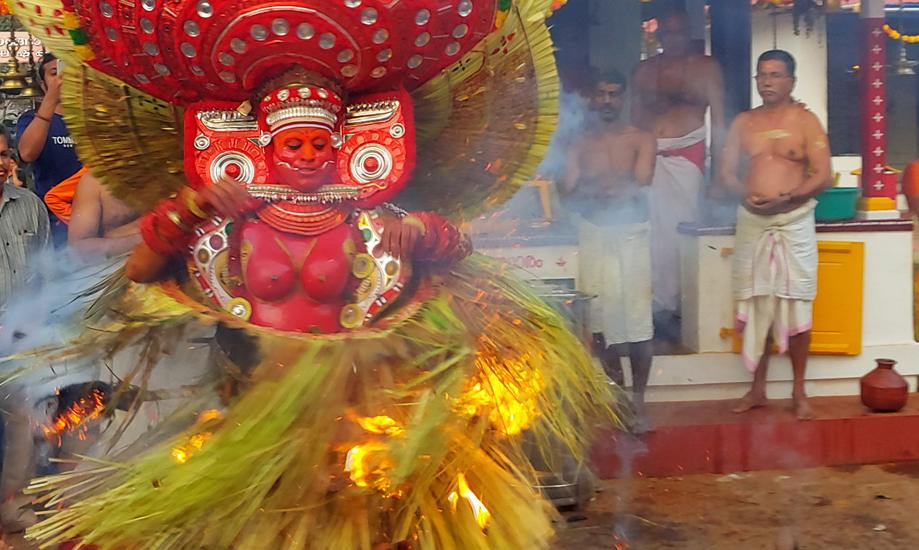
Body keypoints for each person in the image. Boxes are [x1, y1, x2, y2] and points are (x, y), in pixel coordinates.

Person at [5, 2, 622, 548]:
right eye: (292, 145)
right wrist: (189, 209)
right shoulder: (231, 220)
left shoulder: (370, 219)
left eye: (318, 146)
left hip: (359, 415)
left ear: (340, 148)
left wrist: (429, 234)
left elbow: (461, 255)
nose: (305, 157)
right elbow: (140, 272)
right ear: (267, 146)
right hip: (252, 408)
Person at [718, 50, 831, 420]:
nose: (767, 81)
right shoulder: (743, 123)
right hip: (752, 221)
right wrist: (743, 194)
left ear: (791, 81)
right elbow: (725, 172)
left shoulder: (806, 121)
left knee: (796, 302)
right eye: (761, 75)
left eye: (775, 75)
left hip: (793, 222)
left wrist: (788, 198)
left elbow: (821, 175)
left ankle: (799, 392)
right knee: (757, 304)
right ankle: (757, 390)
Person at [562, 70, 656, 419]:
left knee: (638, 322)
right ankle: (617, 399)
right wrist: (590, 190)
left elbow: (640, 184)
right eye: (601, 94)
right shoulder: (580, 143)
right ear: (592, 98)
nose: (607, 101)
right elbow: (566, 189)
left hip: (631, 234)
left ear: (624, 98)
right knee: (601, 320)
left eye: (614, 95)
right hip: (594, 234)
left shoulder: (641, 138)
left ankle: (639, 401)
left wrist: (597, 191)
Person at [631, 7, 725, 338]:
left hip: (688, 156)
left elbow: (721, 121)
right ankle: (655, 311)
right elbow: (633, 123)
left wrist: (719, 174)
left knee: (680, 233)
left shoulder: (706, 67)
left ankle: (680, 309)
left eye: (679, 33)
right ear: (658, 37)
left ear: (689, 34)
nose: (674, 40)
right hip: (649, 157)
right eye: (667, 34)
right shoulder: (644, 71)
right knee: (650, 239)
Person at [15, 52, 86, 248]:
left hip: (91, 217)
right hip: (53, 219)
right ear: (43, 84)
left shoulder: (90, 120)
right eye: (54, 73)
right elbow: (27, 154)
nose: (62, 78)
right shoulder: (30, 119)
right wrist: (51, 99)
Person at [0, 129, 50, 310]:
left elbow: (48, 271)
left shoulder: (31, 204)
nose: (1, 163)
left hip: (31, 328)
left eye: (4, 154)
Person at [66, 171, 140, 262]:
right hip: (112, 267)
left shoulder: (159, 174)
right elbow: (79, 250)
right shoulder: (93, 182)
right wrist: (140, 240)